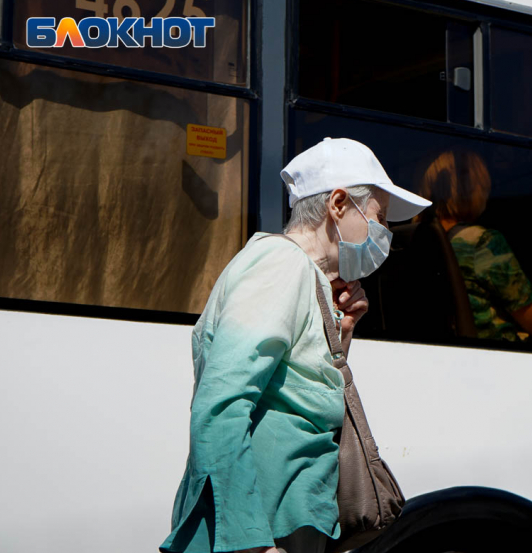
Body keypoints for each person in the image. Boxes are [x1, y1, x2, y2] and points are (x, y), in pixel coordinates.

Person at [159, 137, 430, 553]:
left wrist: (343, 334)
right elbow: (221, 405)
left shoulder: (306, 277)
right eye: (380, 217)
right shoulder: (279, 264)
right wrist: (251, 545)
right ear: (338, 205)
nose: (384, 233)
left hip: (289, 528)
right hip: (261, 537)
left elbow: (298, 393)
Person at [418, 149, 532, 346]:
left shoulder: (416, 242)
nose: (486, 195)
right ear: (469, 190)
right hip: (492, 358)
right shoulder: (481, 242)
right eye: (484, 187)